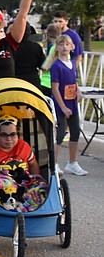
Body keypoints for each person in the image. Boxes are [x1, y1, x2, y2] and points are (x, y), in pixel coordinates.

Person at [0, 115, 48, 212]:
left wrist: (35, 179)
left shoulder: (23, 146)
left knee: (40, 190)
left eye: (13, 134)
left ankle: (31, 210)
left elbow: (33, 164)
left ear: (18, 134)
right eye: (4, 135)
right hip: (2, 187)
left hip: (24, 184)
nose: (9, 139)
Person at [43, 34, 87, 176]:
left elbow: (73, 81)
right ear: (57, 48)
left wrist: (78, 91)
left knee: (75, 131)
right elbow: (55, 88)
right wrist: (62, 107)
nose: (64, 47)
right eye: (61, 44)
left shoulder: (73, 63)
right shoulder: (56, 65)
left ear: (72, 47)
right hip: (60, 103)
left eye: (67, 44)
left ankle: (73, 162)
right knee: (60, 133)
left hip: (72, 102)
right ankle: (54, 163)